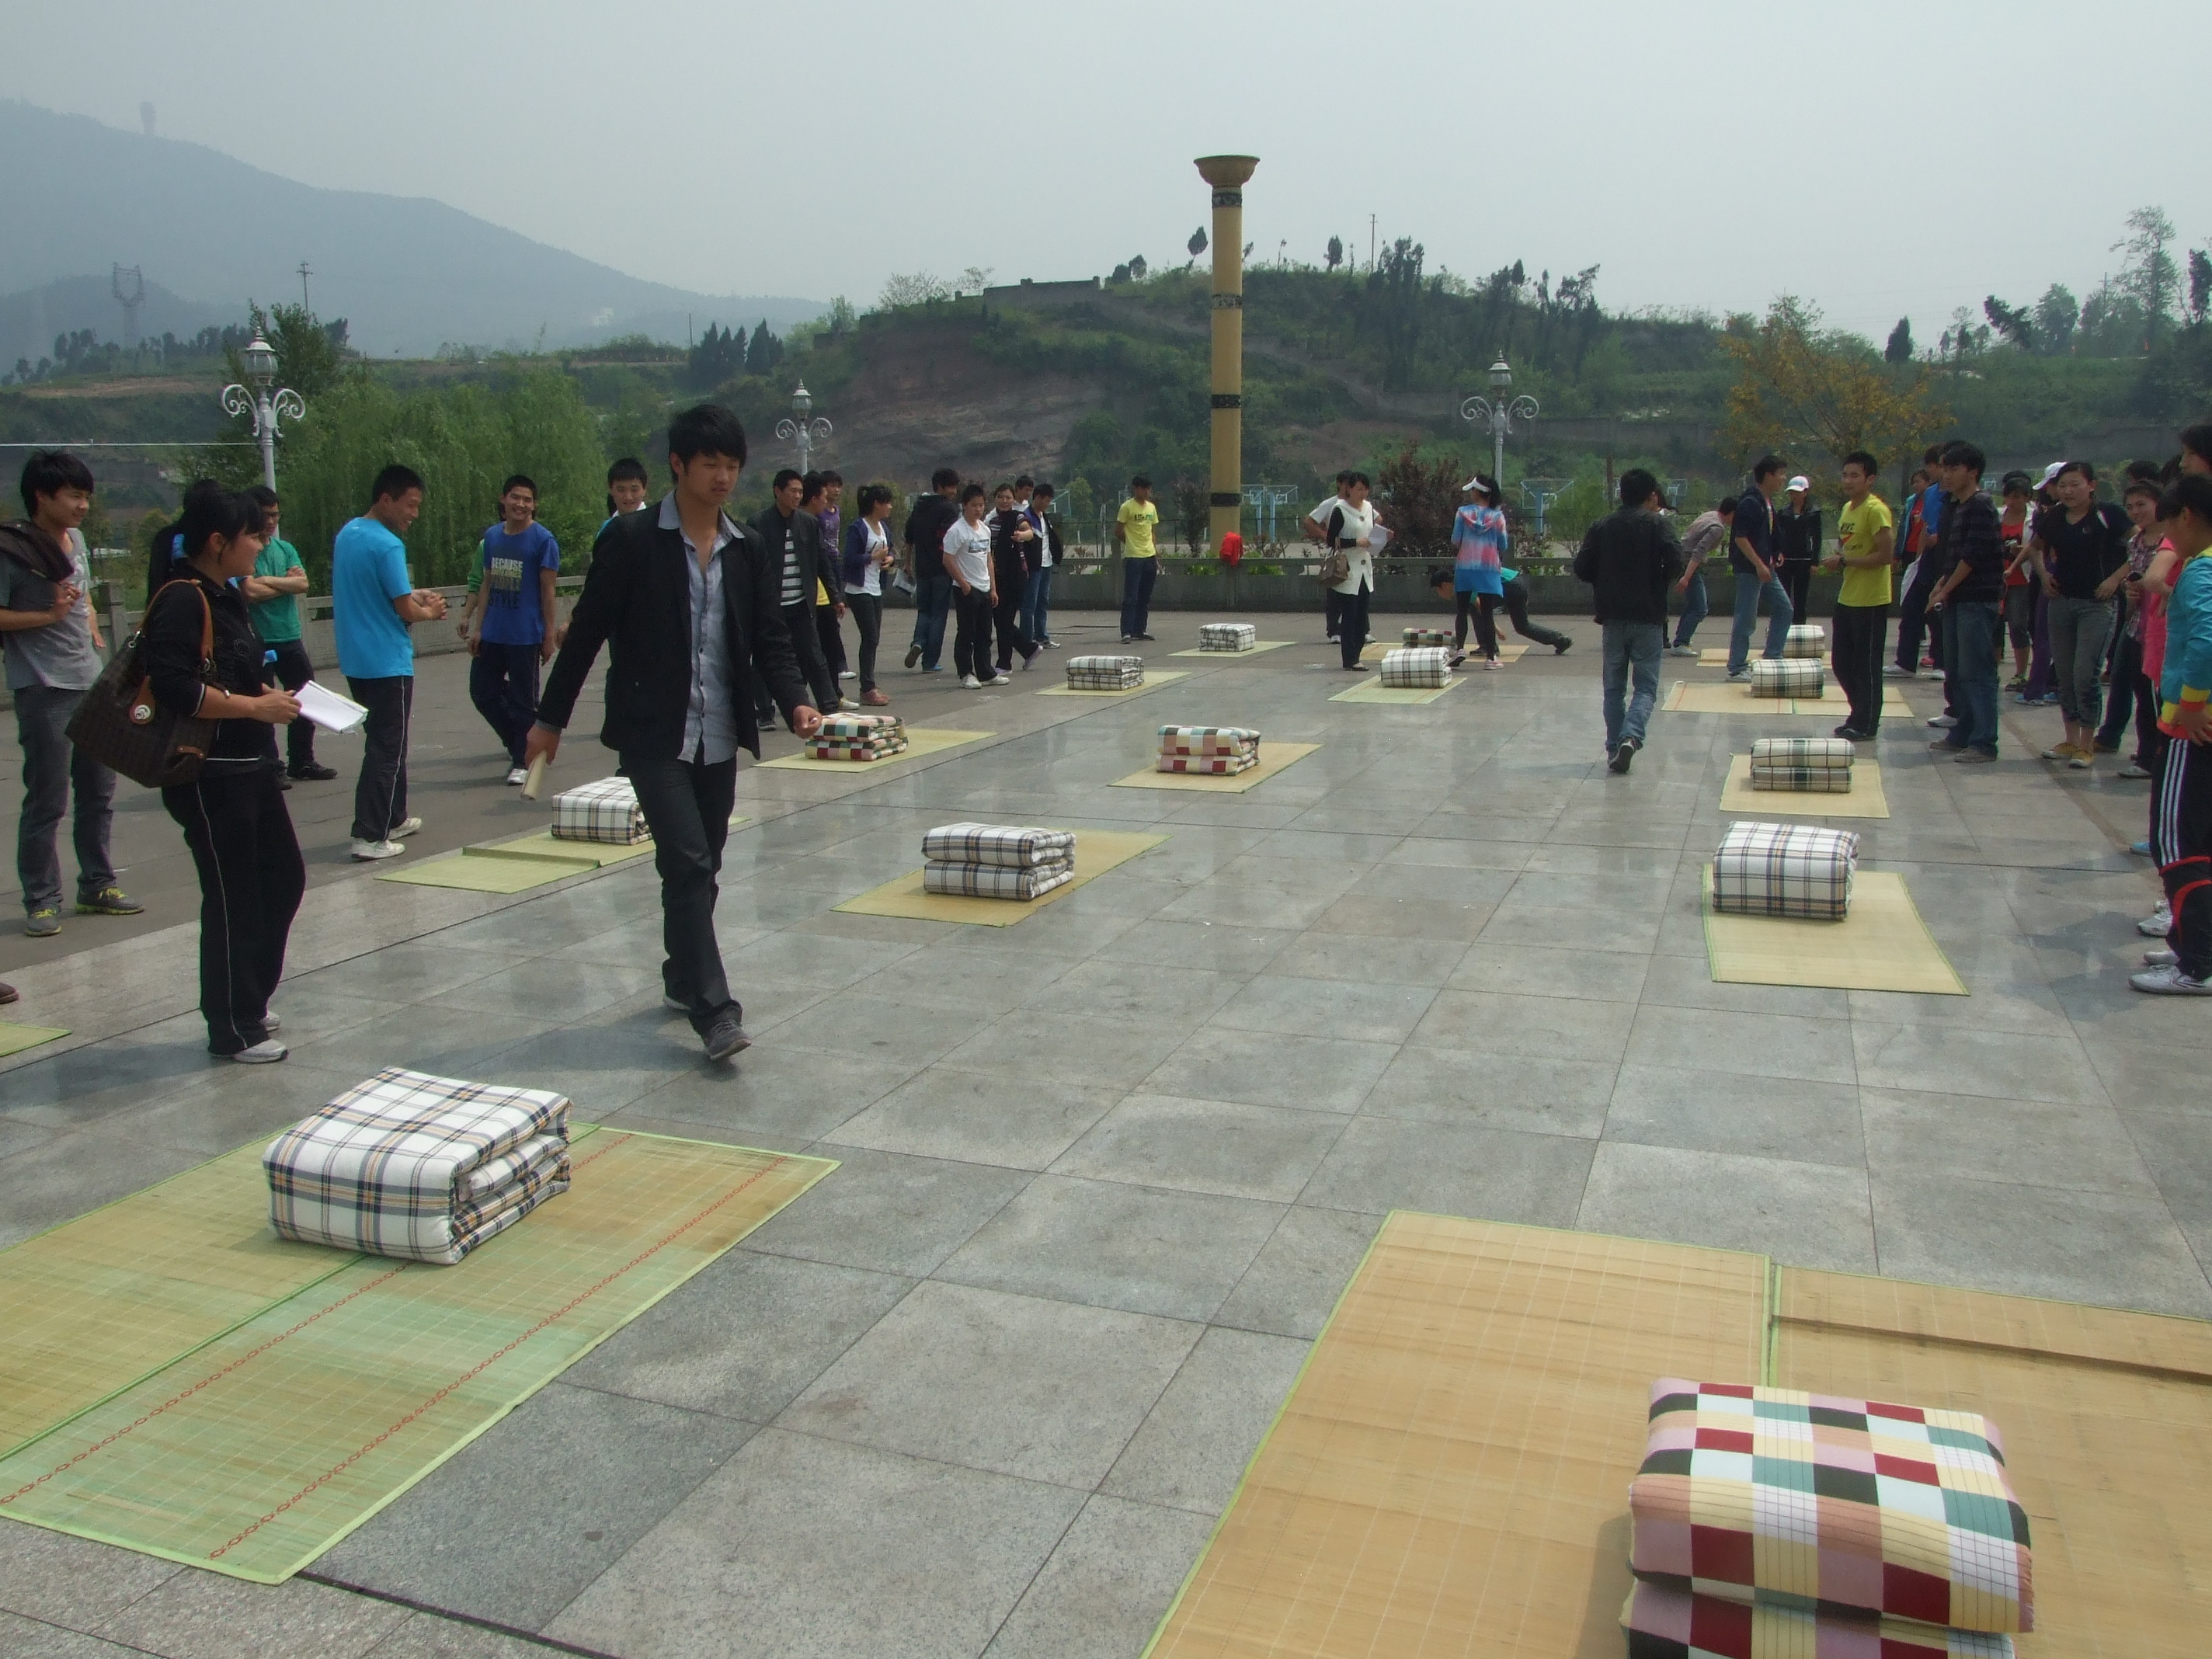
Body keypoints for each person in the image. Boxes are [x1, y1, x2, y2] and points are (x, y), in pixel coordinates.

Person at [527, 404, 819, 1059]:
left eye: (732, 465)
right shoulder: (633, 540)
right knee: (687, 861)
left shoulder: (747, 547)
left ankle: (682, 974)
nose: (723, 477)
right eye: (710, 464)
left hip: (718, 732)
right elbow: (587, 633)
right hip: (652, 733)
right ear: (678, 465)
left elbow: (769, 637)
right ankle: (716, 1012)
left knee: (702, 865)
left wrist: (797, 702)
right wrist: (549, 720)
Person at [142, 485, 304, 1060]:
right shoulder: (183, 599)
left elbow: (227, 671)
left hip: (251, 765)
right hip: (209, 775)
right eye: (253, 536)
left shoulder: (225, 595)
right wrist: (255, 707)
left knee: (283, 879)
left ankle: (250, 998)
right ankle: (233, 1026)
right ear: (217, 542)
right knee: (233, 897)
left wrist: (267, 698)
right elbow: (174, 686)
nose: (261, 545)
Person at [0, 450, 137, 938]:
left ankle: (97, 883)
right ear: (42, 496)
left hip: (90, 680)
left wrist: (88, 622)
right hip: (44, 688)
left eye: (87, 496)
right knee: (48, 799)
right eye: (75, 496)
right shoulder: (11, 550)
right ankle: (41, 899)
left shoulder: (75, 540)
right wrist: (50, 616)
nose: (84, 506)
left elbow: (82, 595)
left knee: (99, 793)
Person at [332, 464, 446, 860]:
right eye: (410, 505)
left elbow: (377, 591)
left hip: (356, 658)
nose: (414, 514)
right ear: (386, 499)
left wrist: (413, 594)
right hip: (387, 660)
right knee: (387, 749)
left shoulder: (349, 534)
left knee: (384, 742)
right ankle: (369, 834)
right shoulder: (388, 544)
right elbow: (406, 610)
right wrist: (430, 610)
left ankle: (394, 817)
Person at [2136, 471, 2212, 994]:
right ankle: (2193, 943)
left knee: (2177, 843)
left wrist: (2191, 704)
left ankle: (2196, 964)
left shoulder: (2201, 571)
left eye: (2169, 526)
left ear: (2186, 517)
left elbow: (2205, 639)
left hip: (2190, 729)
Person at [1574, 469, 1683, 774]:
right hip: (1649, 615)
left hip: (1612, 616)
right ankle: (1631, 737)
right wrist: (1658, 581)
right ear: (1652, 496)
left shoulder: (1602, 526)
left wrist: (1603, 581)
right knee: (1646, 687)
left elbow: (1581, 566)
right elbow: (1677, 560)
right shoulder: (1659, 525)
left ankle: (1614, 747)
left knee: (1613, 688)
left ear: (1621, 494)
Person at [458, 475, 562, 785]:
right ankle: (518, 742)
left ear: (535, 505)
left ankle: (522, 760)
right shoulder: (492, 537)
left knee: (523, 700)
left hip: (525, 635)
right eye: (515, 498)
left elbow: (548, 591)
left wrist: (548, 635)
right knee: (482, 691)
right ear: (503, 499)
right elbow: (487, 582)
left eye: (528, 500)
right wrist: (479, 627)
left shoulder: (543, 541)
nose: (521, 504)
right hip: (494, 631)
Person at [2026, 461, 2130, 768]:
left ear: (2091, 486)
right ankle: (2070, 739)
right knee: (2065, 673)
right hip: (2061, 602)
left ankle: (2087, 743)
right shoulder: (2054, 516)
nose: (2068, 491)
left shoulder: (2108, 515)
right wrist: (2044, 576)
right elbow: (2034, 547)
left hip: (2097, 605)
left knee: (2086, 672)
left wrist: (2115, 579)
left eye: (2075, 484)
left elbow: (2141, 546)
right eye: (2063, 485)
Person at [239, 485, 330, 789]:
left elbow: (302, 584)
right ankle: (270, 766)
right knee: (264, 702)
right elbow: (249, 591)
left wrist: (267, 580)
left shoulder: (285, 549)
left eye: (275, 515)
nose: (271, 521)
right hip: (260, 639)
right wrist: (283, 584)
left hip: (290, 635)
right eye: (265, 515)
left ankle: (302, 760)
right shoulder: (246, 548)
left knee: (305, 697)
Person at [1922, 440, 2004, 763]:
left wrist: (1946, 589)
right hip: (1957, 598)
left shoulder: (1981, 505)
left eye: (1954, 469)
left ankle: (1984, 741)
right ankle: (1963, 733)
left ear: (1972, 472)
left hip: (1976, 599)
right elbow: (1954, 555)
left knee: (1977, 671)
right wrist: (1941, 585)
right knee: (1957, 670)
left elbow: (1972, 557)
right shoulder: (1958, 506)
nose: (1947, 475)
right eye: (1945, 468)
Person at [751, 468, 836, 718]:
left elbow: (822, 562)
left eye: (800, 491)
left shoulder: (808, 523)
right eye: (793, 491)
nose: (798, 496)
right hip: (772, 606)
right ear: (778, 491)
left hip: (801, 603)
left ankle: (829, 704)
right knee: (767, 657)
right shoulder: (758, 523)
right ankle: (765, 711)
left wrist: (835, 596)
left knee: (814, 655)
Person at [1823, 451, 1895, 742]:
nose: (1848, 481)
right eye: (1845, 475)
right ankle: (1858, 712)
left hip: (1871, 599)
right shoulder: (1847, 509)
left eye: (1855, 476)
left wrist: (1845, 561)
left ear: (1870, 479)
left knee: (1867, 666)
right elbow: (1848, 548)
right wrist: (1838, 559)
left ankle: (1867, 722)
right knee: (1842, 663)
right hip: (1848, 595)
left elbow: (1886, 556)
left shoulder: (1876, 510)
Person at [2106, 477, 2169, 777]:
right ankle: (2148, 753)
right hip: (2137, 626)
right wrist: (2130, 592)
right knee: (2141, 692)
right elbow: (2134, 578)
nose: (2135, 512)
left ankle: (2159, 754)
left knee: (2162, 696)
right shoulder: (2135, 542)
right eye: (2129, 507)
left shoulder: (2172, 540)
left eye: (2142, 504)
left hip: (2165, 626)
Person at [1725, 455, 1793, 676]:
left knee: (1784, 609)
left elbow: (1768, 534)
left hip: (1765, 566)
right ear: (1768, 475)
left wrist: (1776, 552)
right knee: (1746, 618)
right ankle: (1737, 667)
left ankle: (1773, 656)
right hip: (1750, 569)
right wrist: (1759, 565)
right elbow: (1740, 538)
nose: (1783, 479)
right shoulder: (1750, 502)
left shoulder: (1767, 502)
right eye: (1781, 474)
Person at [1889, 447, 1948, 675]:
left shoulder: (1954, 495)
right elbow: (1924, 526)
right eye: (1937, 466)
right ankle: (1905, 661)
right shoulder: (1930, 494)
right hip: (1927, 557)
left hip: (1947, 556)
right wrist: (1918, 559)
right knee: (1912, 606)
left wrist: (1940, 537)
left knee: (1937, 610)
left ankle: (1941, 662)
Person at [840, 483, 896, 705]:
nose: (890, 507)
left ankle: (870, 685)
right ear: (876, 504)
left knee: (874, 638)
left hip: (875, 588)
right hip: (859, 589)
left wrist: (889, 559)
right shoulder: (859, 527)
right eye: (887, 503)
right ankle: (867, 687)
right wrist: (872, 557)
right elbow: (849, 558)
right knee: (870, 637)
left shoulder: (883, 528)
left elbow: (890, 549)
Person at [944, 483, 1003, 687]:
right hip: (967, 588)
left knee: (984, 634)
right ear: (965, 505)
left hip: (984, 586)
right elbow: (948, 559)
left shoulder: (984, 530)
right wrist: (963, 584)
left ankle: (985, 671)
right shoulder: (957, 531)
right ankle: (966, 673)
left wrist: (993, 588)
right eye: (974, 505)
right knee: (966, 633)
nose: (978, 509)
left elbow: (988, 559)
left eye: (981, 505)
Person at [902, 467, 960, 672]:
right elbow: (950, 539)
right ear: (940, 487)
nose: (954, 491)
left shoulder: (919, 505)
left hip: (922, 568)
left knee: (924, 611)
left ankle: (918, 642)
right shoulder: (949, 509)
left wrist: (907, 563)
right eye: (951, 487)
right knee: (938, 615)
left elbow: (908, 537)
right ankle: (930, 661)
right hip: (942, 569)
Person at [1449, 474, 1509, 667]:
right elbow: (1503, 544)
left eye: (1472, 490)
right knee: (1487, 613)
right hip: (1488, 567)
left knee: (1461, 610)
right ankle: (1491, 657)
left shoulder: (1462, 513)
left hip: (1465, 566)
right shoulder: (1498, 517)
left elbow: (1455, 540)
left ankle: (1460, 648)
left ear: (1477, 492)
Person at [1665, 496, 1734, 656]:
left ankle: (1682, 639)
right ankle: (1681, 642)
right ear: (1732, 513)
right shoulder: (1717, 528)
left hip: (1682, 558)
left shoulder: (1710, 515)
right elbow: (1699, 551)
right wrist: (1686, 577)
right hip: (1689, 564)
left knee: (1694, 605)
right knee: (1700, 608)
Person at [1324, 474, 1379, 671]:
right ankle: (1350, 658)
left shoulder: (1369, 508)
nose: (1362, 493)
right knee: (1350, 614)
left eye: (1365, 489)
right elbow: (1331, 540)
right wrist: (1355, 542)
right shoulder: (1340, 510)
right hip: (1347, 568)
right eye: (1359, 489)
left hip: (1365, 567)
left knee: (1362, 614)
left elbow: (1373, 529)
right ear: (1349, 489)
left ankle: (1356, 654)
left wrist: (1381, 537)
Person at [986, 482, 1041, 673]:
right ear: (995, 499)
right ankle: (1029, 649)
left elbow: (1029, 532)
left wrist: (1022, 535)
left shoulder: (1018, 517)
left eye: (1008, 497)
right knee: (1002, 620)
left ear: (1013, 500)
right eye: (1001, 497)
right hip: (997, 575)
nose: (1004, 501)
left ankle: (1005, 663)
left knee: (1004, 620)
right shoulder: (990, 520)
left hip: (1015, 576)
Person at [805, 471, 851, 694]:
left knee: (830, 635)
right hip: (810, 586)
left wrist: (835, 596)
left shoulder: (833, 514)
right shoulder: (812, 522)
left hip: (828, 573)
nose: (834, 492)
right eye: (829, 489)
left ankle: (833, 693)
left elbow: (825, 561)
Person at [1997, 471, 2036, 689]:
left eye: (2017, 497)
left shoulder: (2034, 518)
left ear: (2027, 497)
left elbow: (2038, 546)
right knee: (1994, 625)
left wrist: (2022, 551)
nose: (2012, 502)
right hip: (1997, 577)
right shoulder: (1997, 516)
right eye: (2009, 497)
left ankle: (2021, 673)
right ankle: (1992, 670)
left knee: (2018, 625)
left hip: (2022, 580)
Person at [1306, 471, 1353, 643]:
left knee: (1358, 593)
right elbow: (1309, 521)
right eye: (1347, 484)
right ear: (1340, 484)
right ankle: (1334, 630)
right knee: (1334, 592)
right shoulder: (1331, 504)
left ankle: (1362, 629)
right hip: (1337, 553)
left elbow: (1376, 519)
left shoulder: (1359, 505)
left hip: (1355, 553)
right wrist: (1325, 535)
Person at [1116, 475, 1160, 642]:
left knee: (1145, 596)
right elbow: (1118, 531)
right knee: (1131, 597)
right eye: (1144, 489)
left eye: (1149, 489)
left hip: (1149, 556)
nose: (1147, 492)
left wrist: (1154, 552)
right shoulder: (1127, 507)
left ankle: (1140, 629)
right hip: (1134, 557)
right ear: (1136, 489)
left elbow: (1152, 531)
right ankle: (1127, 631)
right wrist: (1130, 542)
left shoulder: (1151, 508)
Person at [1775, 475, 1822, 626]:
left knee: (1801, 597)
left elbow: (1817, 538)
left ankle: (1799, 625)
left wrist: (1815, 562)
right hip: (1786, 560)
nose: (1794, 496)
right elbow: (1777, 535)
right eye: (1792, 492)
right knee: (1784, 596)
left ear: (1806, 492)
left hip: (1804, 560)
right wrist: (1777, 553)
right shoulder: (1783, 513)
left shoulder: (1814, 513)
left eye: (1797, 492)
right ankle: (1783, 626)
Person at [1018, 478, 1059, 648]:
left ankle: (1041, 635)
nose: (1048, 504)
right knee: (1030, 604)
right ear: (1038, 498)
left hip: (1046, 563)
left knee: (1043, 601)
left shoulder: (1044, 517)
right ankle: (1026, 640)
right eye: (1046, 501)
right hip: (1033, 566)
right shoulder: (1026, 517)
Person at [604, 457, 650, 523]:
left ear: (644, 489)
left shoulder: (654, 524)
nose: (628, 497)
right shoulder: (608, 526)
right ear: (611, 490)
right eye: (621, 490)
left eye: (634, 490)